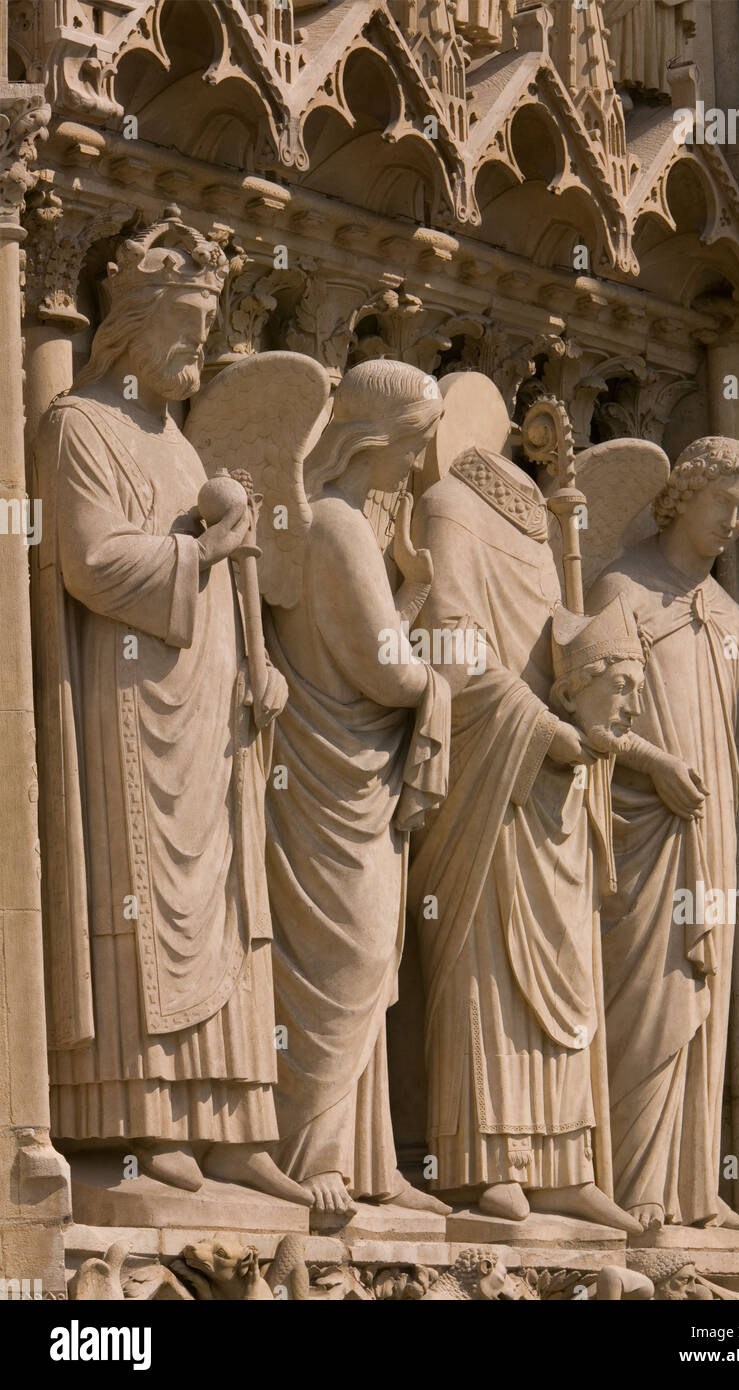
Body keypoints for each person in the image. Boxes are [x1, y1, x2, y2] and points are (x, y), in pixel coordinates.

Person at [35, 210, 308, 1202]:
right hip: (132, 705)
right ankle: (144, 1121)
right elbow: (94, 562)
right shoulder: (78, 425)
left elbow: (231, 578)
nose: (196, 355)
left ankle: (231, 1123)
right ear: (134, 330)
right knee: (148, 903)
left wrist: (261, 664)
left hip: (214, 720)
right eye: (184, 336)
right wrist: (203, 553)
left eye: (205, 337)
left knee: (229, 904)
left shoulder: (184, 448)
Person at [408, 441, 645, 1231]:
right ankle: (485, 1161)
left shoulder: (545, 534)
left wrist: (584, 712)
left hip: (558, 790)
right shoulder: (449, 504)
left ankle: (563, 1164)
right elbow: (446, 634)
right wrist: (538, 725)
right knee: (488, 958)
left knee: (566, 968)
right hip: (491, 775)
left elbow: (562, 650)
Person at [267, 360, 453, 1216]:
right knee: (348, 954)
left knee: (374, 960)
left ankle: (365, 1163)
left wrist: (411, 584)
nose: (419, 466)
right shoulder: (336, 527)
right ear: (372, 436)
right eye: (416, 443)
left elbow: (374, 648)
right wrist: (438, 684)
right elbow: (387, 673)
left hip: (353, 775)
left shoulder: (348, 529)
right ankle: (309, 1157)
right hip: (328, 783)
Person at [586, 435, 739, 1232]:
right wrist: (653, 762)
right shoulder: (620, 589)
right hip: (642, 821)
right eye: (725, 503)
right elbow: (583, 711)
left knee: (705, 998)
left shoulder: (731, 615)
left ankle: (695, 1188)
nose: (734, 522)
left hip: (711, 824)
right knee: (649, 999)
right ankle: (636, 1187)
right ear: (682, 494)